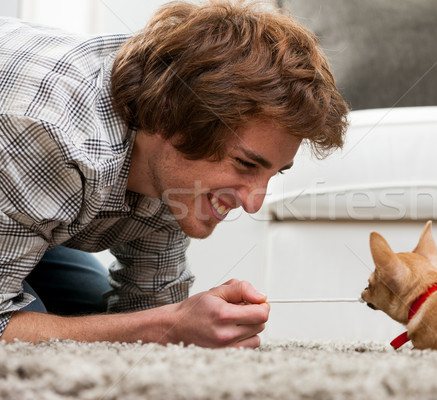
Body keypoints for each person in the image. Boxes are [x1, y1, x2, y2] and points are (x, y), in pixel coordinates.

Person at [0, 0, 348, 348]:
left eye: (273, 173)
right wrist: (164, 325)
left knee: (94, 315)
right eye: (245, 164)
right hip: (15, 163)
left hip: (24, 214)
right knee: (33, 348)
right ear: (170, 123)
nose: (254, 203)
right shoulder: (51, 134)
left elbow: (149, 306)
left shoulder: (173, 168)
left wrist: (176, 324)